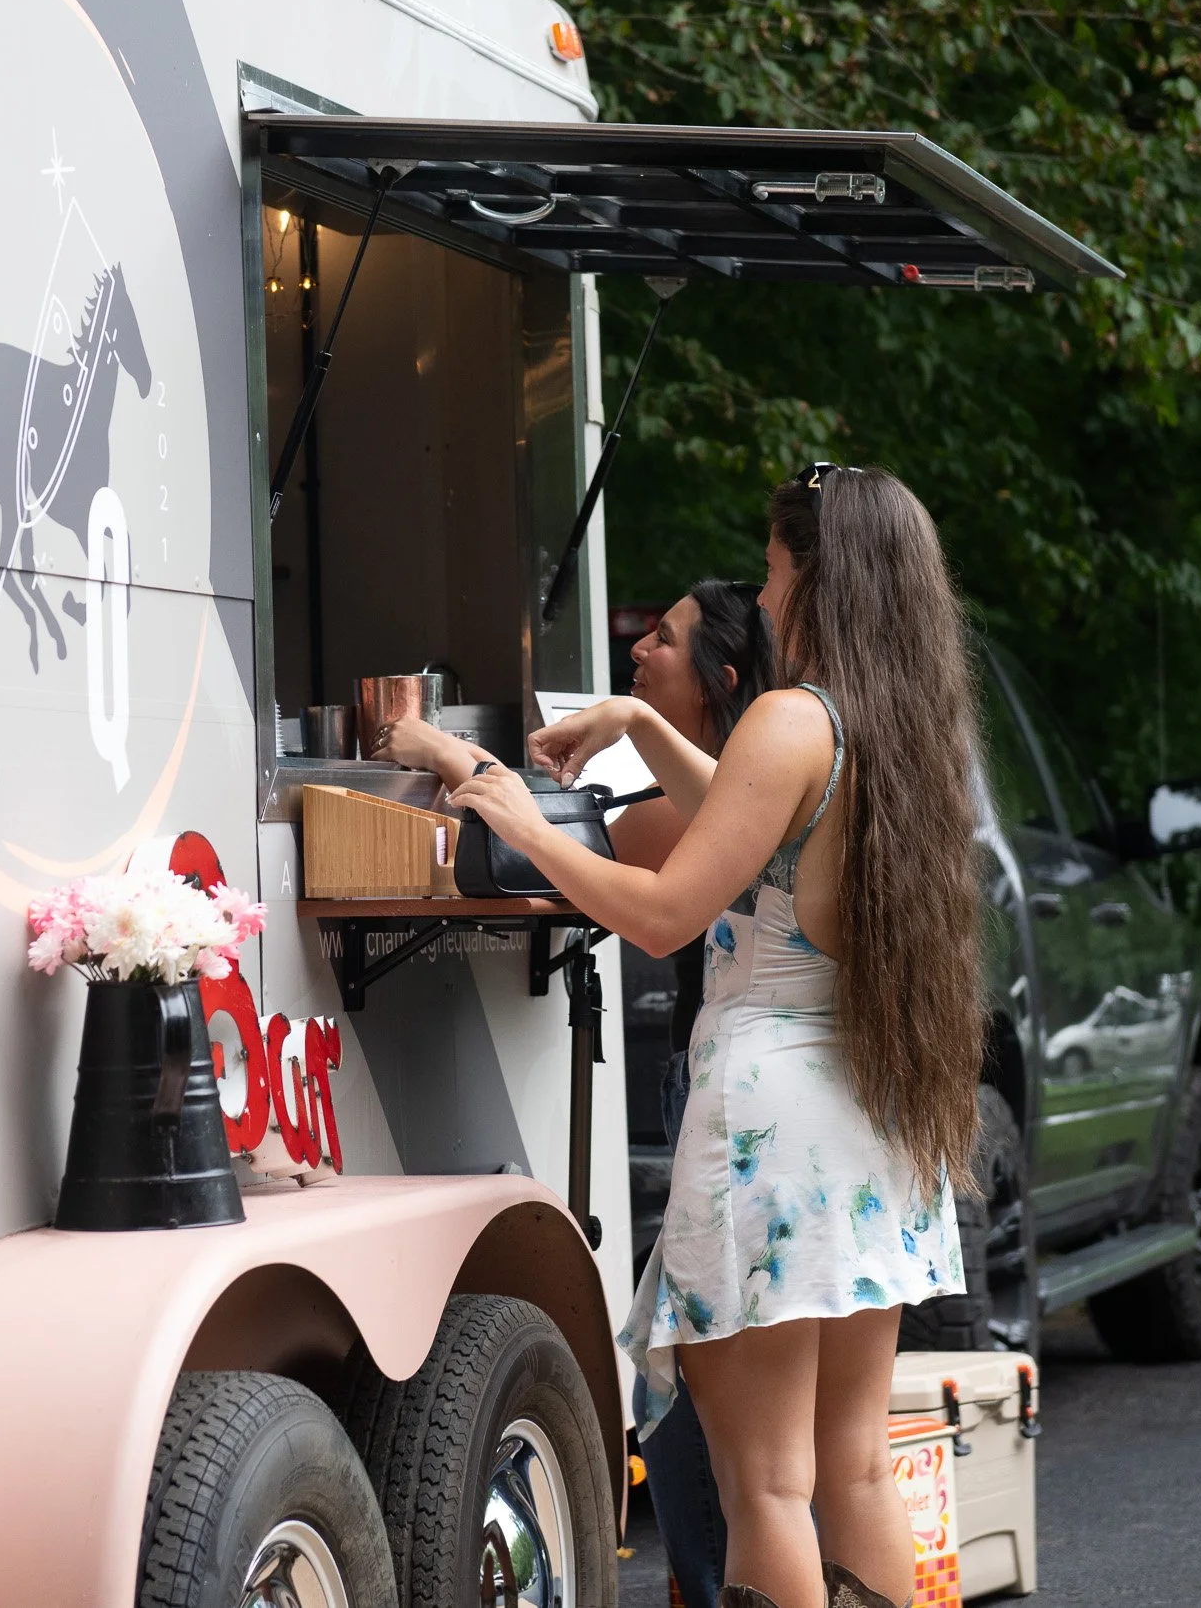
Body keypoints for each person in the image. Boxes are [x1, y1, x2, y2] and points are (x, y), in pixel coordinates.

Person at [446, 465, 983, 1608]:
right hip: (872, 1117)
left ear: (820, 575)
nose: (768, 589)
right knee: (854, 1470)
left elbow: (662, 911)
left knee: (769, 1486)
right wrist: (641, 719)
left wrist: (513, 822)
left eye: (777, 566)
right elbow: (759, 824)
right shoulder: (898, 725)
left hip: (774, 1126)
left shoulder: (794, 718)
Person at [377, 581, 774, 1608]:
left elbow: (562, 850)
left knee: (711, 1423)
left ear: (720, 683)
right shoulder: (752, 780)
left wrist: (437, 753)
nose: (641, 647)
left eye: (668, 641)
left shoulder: (735, 797)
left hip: (752, 1114)